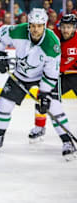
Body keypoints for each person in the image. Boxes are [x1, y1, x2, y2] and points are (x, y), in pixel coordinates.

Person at [0, 8, 75, 159]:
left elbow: (52, 73)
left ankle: (68, 142)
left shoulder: (52, 43)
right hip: (20, 75)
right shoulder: (19, 31)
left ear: (45, 25)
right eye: (33, 25)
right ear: (28, 24)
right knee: (4, 103)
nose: (36, 29)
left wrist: (44, 93)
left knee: (54, 107)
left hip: (43, 76)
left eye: (39, 25)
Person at [29, 14, 77, 149]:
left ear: (74, 28)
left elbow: (61, 65)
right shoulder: (53, 35)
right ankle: (39, 128)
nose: (66, 30)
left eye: (69, 27)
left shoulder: (76, 42)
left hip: (70, 73)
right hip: (61, 74)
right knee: (42, 98)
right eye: (64, 27)